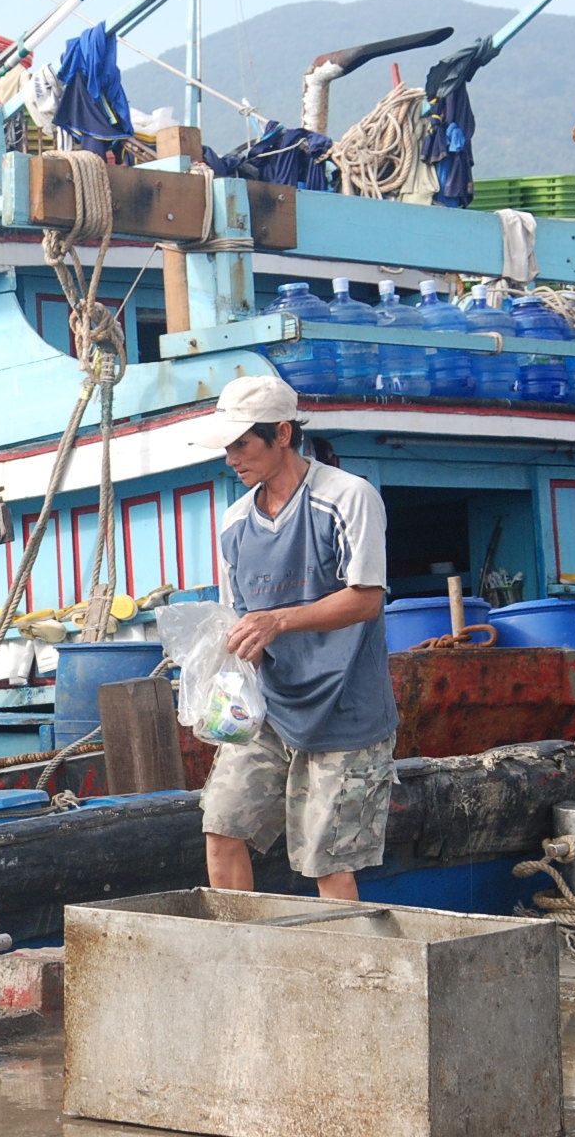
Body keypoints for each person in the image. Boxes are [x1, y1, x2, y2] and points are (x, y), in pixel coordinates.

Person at [188, 376, 398, 901]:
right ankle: (241, 960)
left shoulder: (347, 497)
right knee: (222, 828)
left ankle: (349, 978)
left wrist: (277, 621)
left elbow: (367, 598)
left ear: (282, 433)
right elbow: (241, 618)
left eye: (242, 444)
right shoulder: (235, 522)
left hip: (346, 712)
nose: (232, 458)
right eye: (228, 447)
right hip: (267, 711)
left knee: (328, 863)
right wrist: (218, 677)